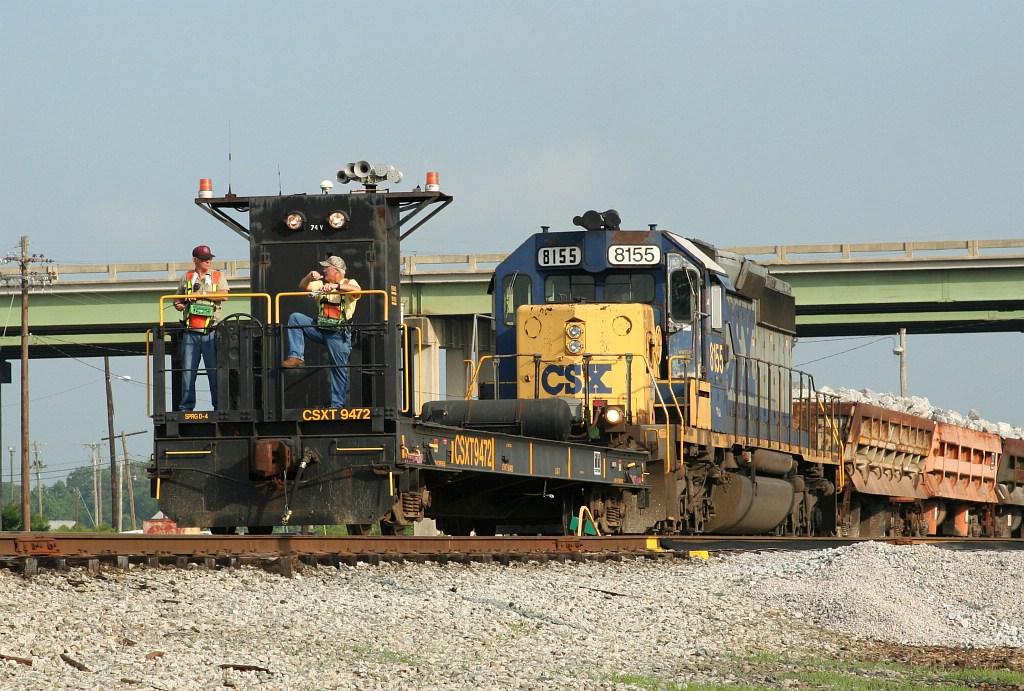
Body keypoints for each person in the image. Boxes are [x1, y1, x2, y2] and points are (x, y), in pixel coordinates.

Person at [282, 255, 361, 408]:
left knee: (338, 369)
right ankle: (296, 356)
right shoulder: (320, 284)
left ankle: (337, 405)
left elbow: (357, 291)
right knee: (295, 318)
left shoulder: (348, 282)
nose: (324, 270)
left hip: (338, 333)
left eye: (327, 267)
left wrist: (336, 287)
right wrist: (309, 276)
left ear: (337, 271)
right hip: (319, 328)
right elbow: (303, 286)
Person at [173, 245, 229, 411]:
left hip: (211, 331)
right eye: (204, 259)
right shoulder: (187, 277)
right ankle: (186, 408)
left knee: (214, 371)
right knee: (188, 373)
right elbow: (176, 300)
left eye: (210, 258)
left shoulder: (219, 276)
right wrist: (179, 305)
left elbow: (224, 295)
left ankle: (218, 407)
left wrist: (201, 295)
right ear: (195, 260)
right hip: (190, 332)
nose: (208, 261)